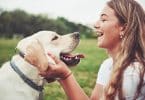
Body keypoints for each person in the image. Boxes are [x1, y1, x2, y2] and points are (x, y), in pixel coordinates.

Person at [24, 0, 145, 99]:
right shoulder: (107, 66)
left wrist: (65, 76)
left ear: (124, 28)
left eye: (103, 19)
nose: (95, 24)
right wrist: (62, 76)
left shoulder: (133, 74)